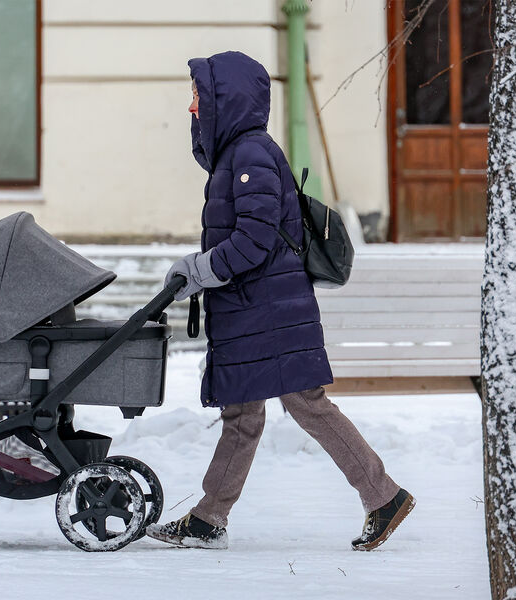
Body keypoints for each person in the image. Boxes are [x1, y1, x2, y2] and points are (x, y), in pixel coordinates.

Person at [145, 51, 413, 551]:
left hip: (268, 311)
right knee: (243, 416)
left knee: (307, 405)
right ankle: (208, 519)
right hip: (255, 310)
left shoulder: (249, 155)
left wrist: (200, 270)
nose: (192, 108)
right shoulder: (240, 155)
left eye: (199, 96)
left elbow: (254, 240)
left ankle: (383, 495)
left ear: (226, 100)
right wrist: (200, 270)